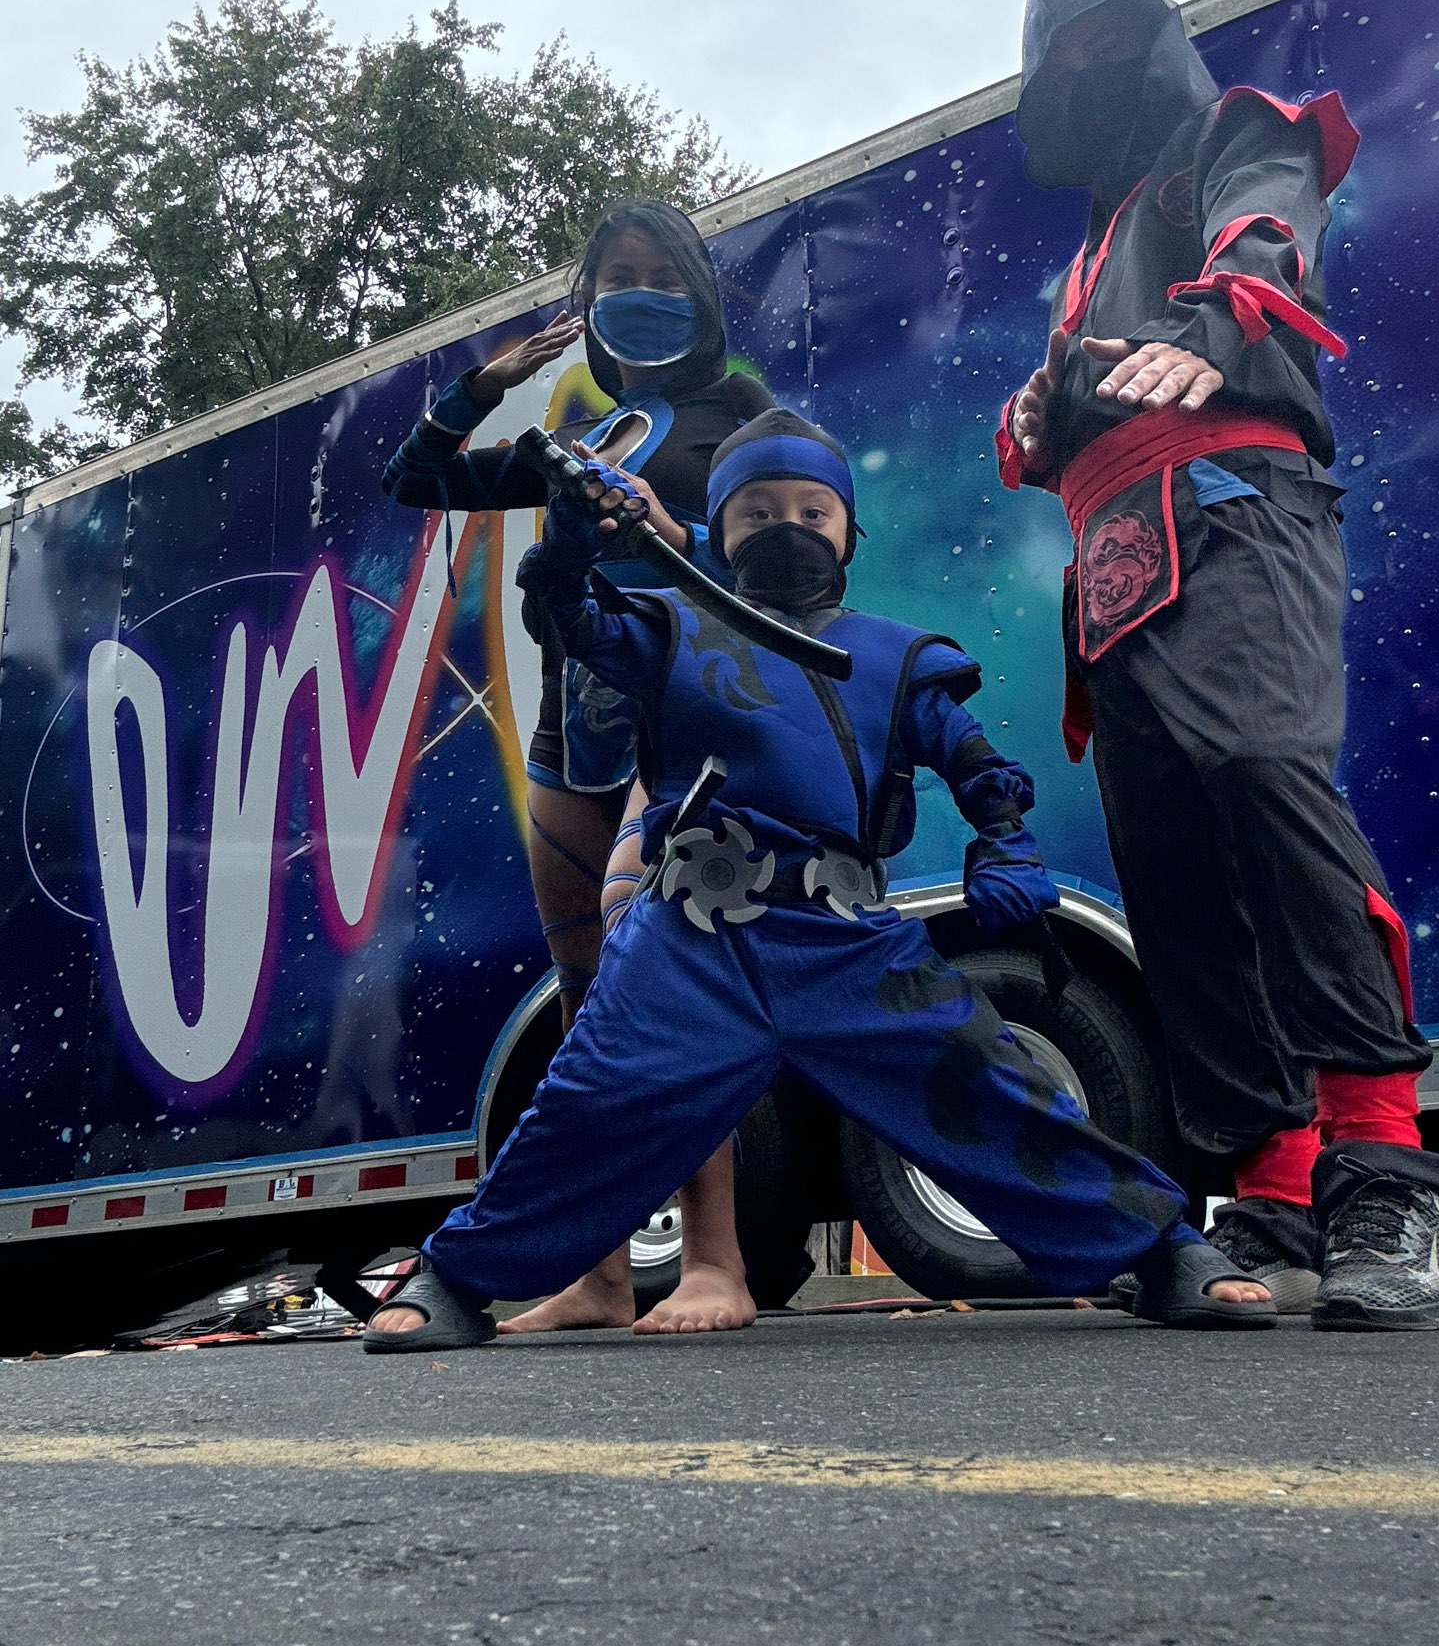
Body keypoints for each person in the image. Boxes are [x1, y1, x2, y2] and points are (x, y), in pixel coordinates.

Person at [364, 409, 1275, 1352]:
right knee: (588, 1103)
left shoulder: (899, 653)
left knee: (988, 1080)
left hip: (847, 936)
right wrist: (563, 542)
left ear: (849, 532)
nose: (785, 527)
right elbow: (567, 617)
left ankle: (1161, 1246)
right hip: (689, 937)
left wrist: (1005, 844)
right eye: (754, 513)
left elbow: (971, 762)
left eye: (811, 509)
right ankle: (456, 1276)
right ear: (716, 531)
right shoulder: (670, 625)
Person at [998, 0, 1439, 1330]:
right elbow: (1079, 395)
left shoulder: (1229, 131)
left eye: (1107, 43)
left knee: (1268, 775)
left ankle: (1385, 1171)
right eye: (1057, 58)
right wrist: (1038, 416)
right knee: (1175, 866)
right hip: (1110, 557)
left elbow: (1268, 221)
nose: (1085, 73)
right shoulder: (1087, 252)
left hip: (1230, 503)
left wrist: (1223, 311)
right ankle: (1272, 1183)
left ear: (1153, 43)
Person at [382, 201, 773, 1335]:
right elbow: (419, 480)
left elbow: (793, 551)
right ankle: (599, 1273)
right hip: (574, 727)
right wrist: (484, 381)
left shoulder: (741, 410)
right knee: (586, 997)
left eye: (663, 272)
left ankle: (717, 1260)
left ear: (699, 290)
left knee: (672, 977)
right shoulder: (579, 442)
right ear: (586, 299)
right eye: (619, 276)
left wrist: (679, 534)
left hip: (685, 716)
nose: (641, 291)